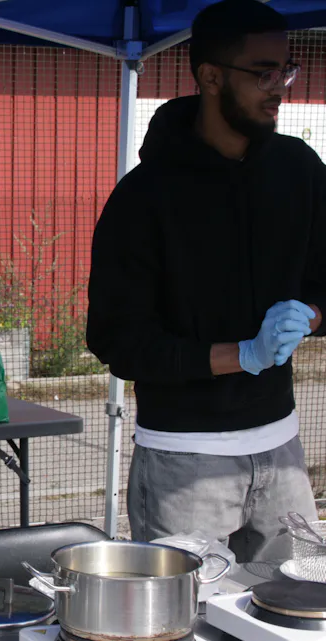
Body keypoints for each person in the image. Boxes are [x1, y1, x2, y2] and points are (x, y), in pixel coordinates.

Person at [86, 0, 325, 563]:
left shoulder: (300, 171)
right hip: (183, 462)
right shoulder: (144, 198)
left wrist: (312, 316)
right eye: (263, 72)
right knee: (185, 621)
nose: (279, 86)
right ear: (211, 76)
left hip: (283, 450)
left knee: (295, 614)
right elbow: (119, 342)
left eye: (286, 70)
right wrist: (239, 354)